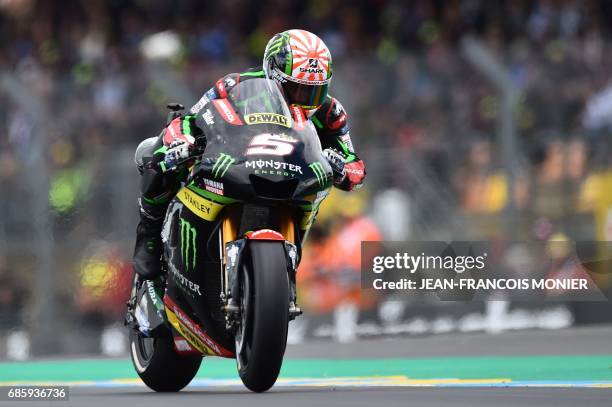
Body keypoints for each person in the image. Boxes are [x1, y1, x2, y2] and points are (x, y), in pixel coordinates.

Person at [132, 29, 366, 283]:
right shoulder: (234, 85)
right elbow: (192, 118)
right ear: (273, 73)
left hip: (294, 180)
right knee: (156, 151)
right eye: (296, 90)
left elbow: (355, 165)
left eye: (314, 92)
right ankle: (150, 232)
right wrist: (184, 141)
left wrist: (342, 167)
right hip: (236, 164)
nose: (305, 101)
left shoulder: (330, 111)